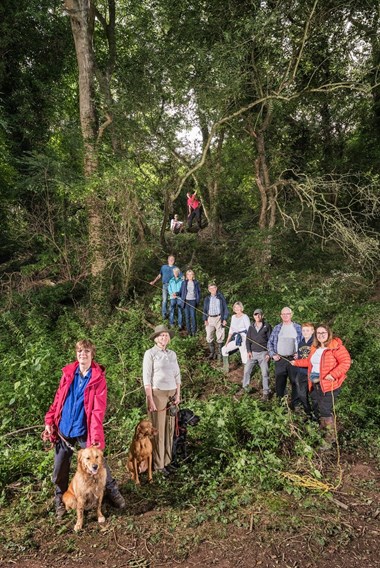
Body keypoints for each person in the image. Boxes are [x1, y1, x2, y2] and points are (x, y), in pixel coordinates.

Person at [44, 339, 125, 519]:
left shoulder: (97, 379)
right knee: (59, 468)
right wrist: (50, 420)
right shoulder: (68, 374)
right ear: (76, 354)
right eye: (80, 351)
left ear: (92, 354)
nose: (83, 354)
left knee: (98, 461)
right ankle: (60, 499)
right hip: (64, 429)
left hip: (84, 429)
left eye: (86, 351)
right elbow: (58, 399)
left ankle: (112, 491)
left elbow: (97, 410)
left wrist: (95, 436)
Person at [291, 324, 351, 447]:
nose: (321, 335)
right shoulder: (315, 347)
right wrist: (296, 362)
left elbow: (346, 362)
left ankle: (330, 438)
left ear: (328, 333)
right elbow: (309, 362)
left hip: (329, 384)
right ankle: (322, 430)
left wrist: (333, 374)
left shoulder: (336, 346)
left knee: (325, 409)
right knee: (317, 408)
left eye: (323, 333)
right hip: (314, 383)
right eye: (318, 333)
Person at [143, 325, 181, 474]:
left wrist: (178, 394)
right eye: (161, 335)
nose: (164, 338)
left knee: (170, 428)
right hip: (157, 394)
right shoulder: (150, 353)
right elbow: (146, 378)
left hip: (171, 393)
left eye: (166, 335)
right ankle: (158, 465)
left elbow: (177, 375)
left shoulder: (172, 354)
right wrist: (150, 399)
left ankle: (167, 460)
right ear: (156, 338)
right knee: (158, 430)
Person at [267, 307, 302, 399]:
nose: (285, 316)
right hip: (280, 359)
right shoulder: (277, 328)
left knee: (295, 382)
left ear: (291, 315)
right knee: (280, 383)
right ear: (281, 316)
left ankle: (296, 404)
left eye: (288, 314)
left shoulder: (298, 328)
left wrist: (300, 353)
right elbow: (270, 342)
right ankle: (280, 403)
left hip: (293, 359)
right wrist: (272, 354)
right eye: (283, 314)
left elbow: (304, 343)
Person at [243, 309, 272, 401]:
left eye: (259, 315)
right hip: (253, 353)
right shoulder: (251, 327)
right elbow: (248, 340)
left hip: (263, 353)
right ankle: (245, 388)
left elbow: (271, 341)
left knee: (265, 373)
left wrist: (269, 353)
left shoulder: (267, 326)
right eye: (255, 315)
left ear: (262, 316)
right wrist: (249, 351)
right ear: (253, 316)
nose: (257, 316)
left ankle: (266, 392)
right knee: (247, 370)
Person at [291, 323, 315, 415]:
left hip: (311, 372)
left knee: (313, 394)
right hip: (301, 371)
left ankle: (316, 414)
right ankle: (307, 411)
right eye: (304, 330)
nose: (305, 332)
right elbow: (301, 354)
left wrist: (297, 362)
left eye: (308, 330)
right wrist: (297, 356)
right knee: (301, 393)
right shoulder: (301, 342)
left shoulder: (315, 343)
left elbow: (312, 360)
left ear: (312, 331)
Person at [221, 302, 250, 373]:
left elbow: (249, 330)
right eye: (235, 307)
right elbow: (231, 331)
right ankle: (225, 369)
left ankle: (246, 374)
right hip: (237, 338)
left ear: (241, 308)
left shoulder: (245, 316)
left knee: (244, 356)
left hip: (244, 339)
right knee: (224, 349)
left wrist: (248, 342)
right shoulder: (233, 317)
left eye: (238, 307)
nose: (237, 308)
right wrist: (227, 343)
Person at [203, 283, 229, 362]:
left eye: (213, 288)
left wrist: (224, 319)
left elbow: (225, 309)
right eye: (210, 289)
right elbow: (204, 310)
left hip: (219, 318)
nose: (212, 290)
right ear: (208, 290)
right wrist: (205, 319)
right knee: (209, 336)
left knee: (220, 336)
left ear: (216, 288)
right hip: (210, 318)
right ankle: (212, 353)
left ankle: (219, 354)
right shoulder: (207, 298)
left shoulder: (220, 297)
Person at [150, 255, 181, 320]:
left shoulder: (176, 268)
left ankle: (169, 313)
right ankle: (164, 315)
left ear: (174, 261)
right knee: (165, 300)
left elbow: (181, 277)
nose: (171, 260)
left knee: (172, 301)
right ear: (168, 260)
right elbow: (159, 275)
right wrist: (154, 281)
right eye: (170, 259)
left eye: (173, 259)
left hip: (173, 287)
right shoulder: (163, 267)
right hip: (165, 285)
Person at [179, 269, 201, 336]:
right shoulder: (184, 283)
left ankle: (194, 332)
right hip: (186, 301)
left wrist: (197, 299)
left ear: (193, 275)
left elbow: (199, 292)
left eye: (191, 274)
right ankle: (189, 332)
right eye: (188, 274)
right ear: (186, 275)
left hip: (193, 301)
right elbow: (180, 292)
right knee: (187, 317)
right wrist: (176, 294)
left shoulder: (196, 283)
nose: (189, 276)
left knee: (193, 316)